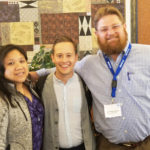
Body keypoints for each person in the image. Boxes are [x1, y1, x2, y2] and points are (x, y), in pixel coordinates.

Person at [31, 6, 150, 150]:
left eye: (115, 26)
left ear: (124, 27)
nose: (110, 32)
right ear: (96, 33)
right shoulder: (89, 64)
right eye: (104, 29)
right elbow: (65, 66)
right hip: (108, 146)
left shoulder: (147, 55)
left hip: (146, 143)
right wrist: (36, 73)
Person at [36, 36, 95, 150]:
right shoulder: (41, 85)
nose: (64, 60)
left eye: (69, 55)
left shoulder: (85, 83)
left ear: (76, 57)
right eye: (59, 56)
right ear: (52, 58)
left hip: (84, 147)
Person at [0, 44, 44, 150]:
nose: (19, 67)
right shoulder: (2, 99)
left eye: (22, 61)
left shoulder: (30, 87)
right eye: (11, 63)